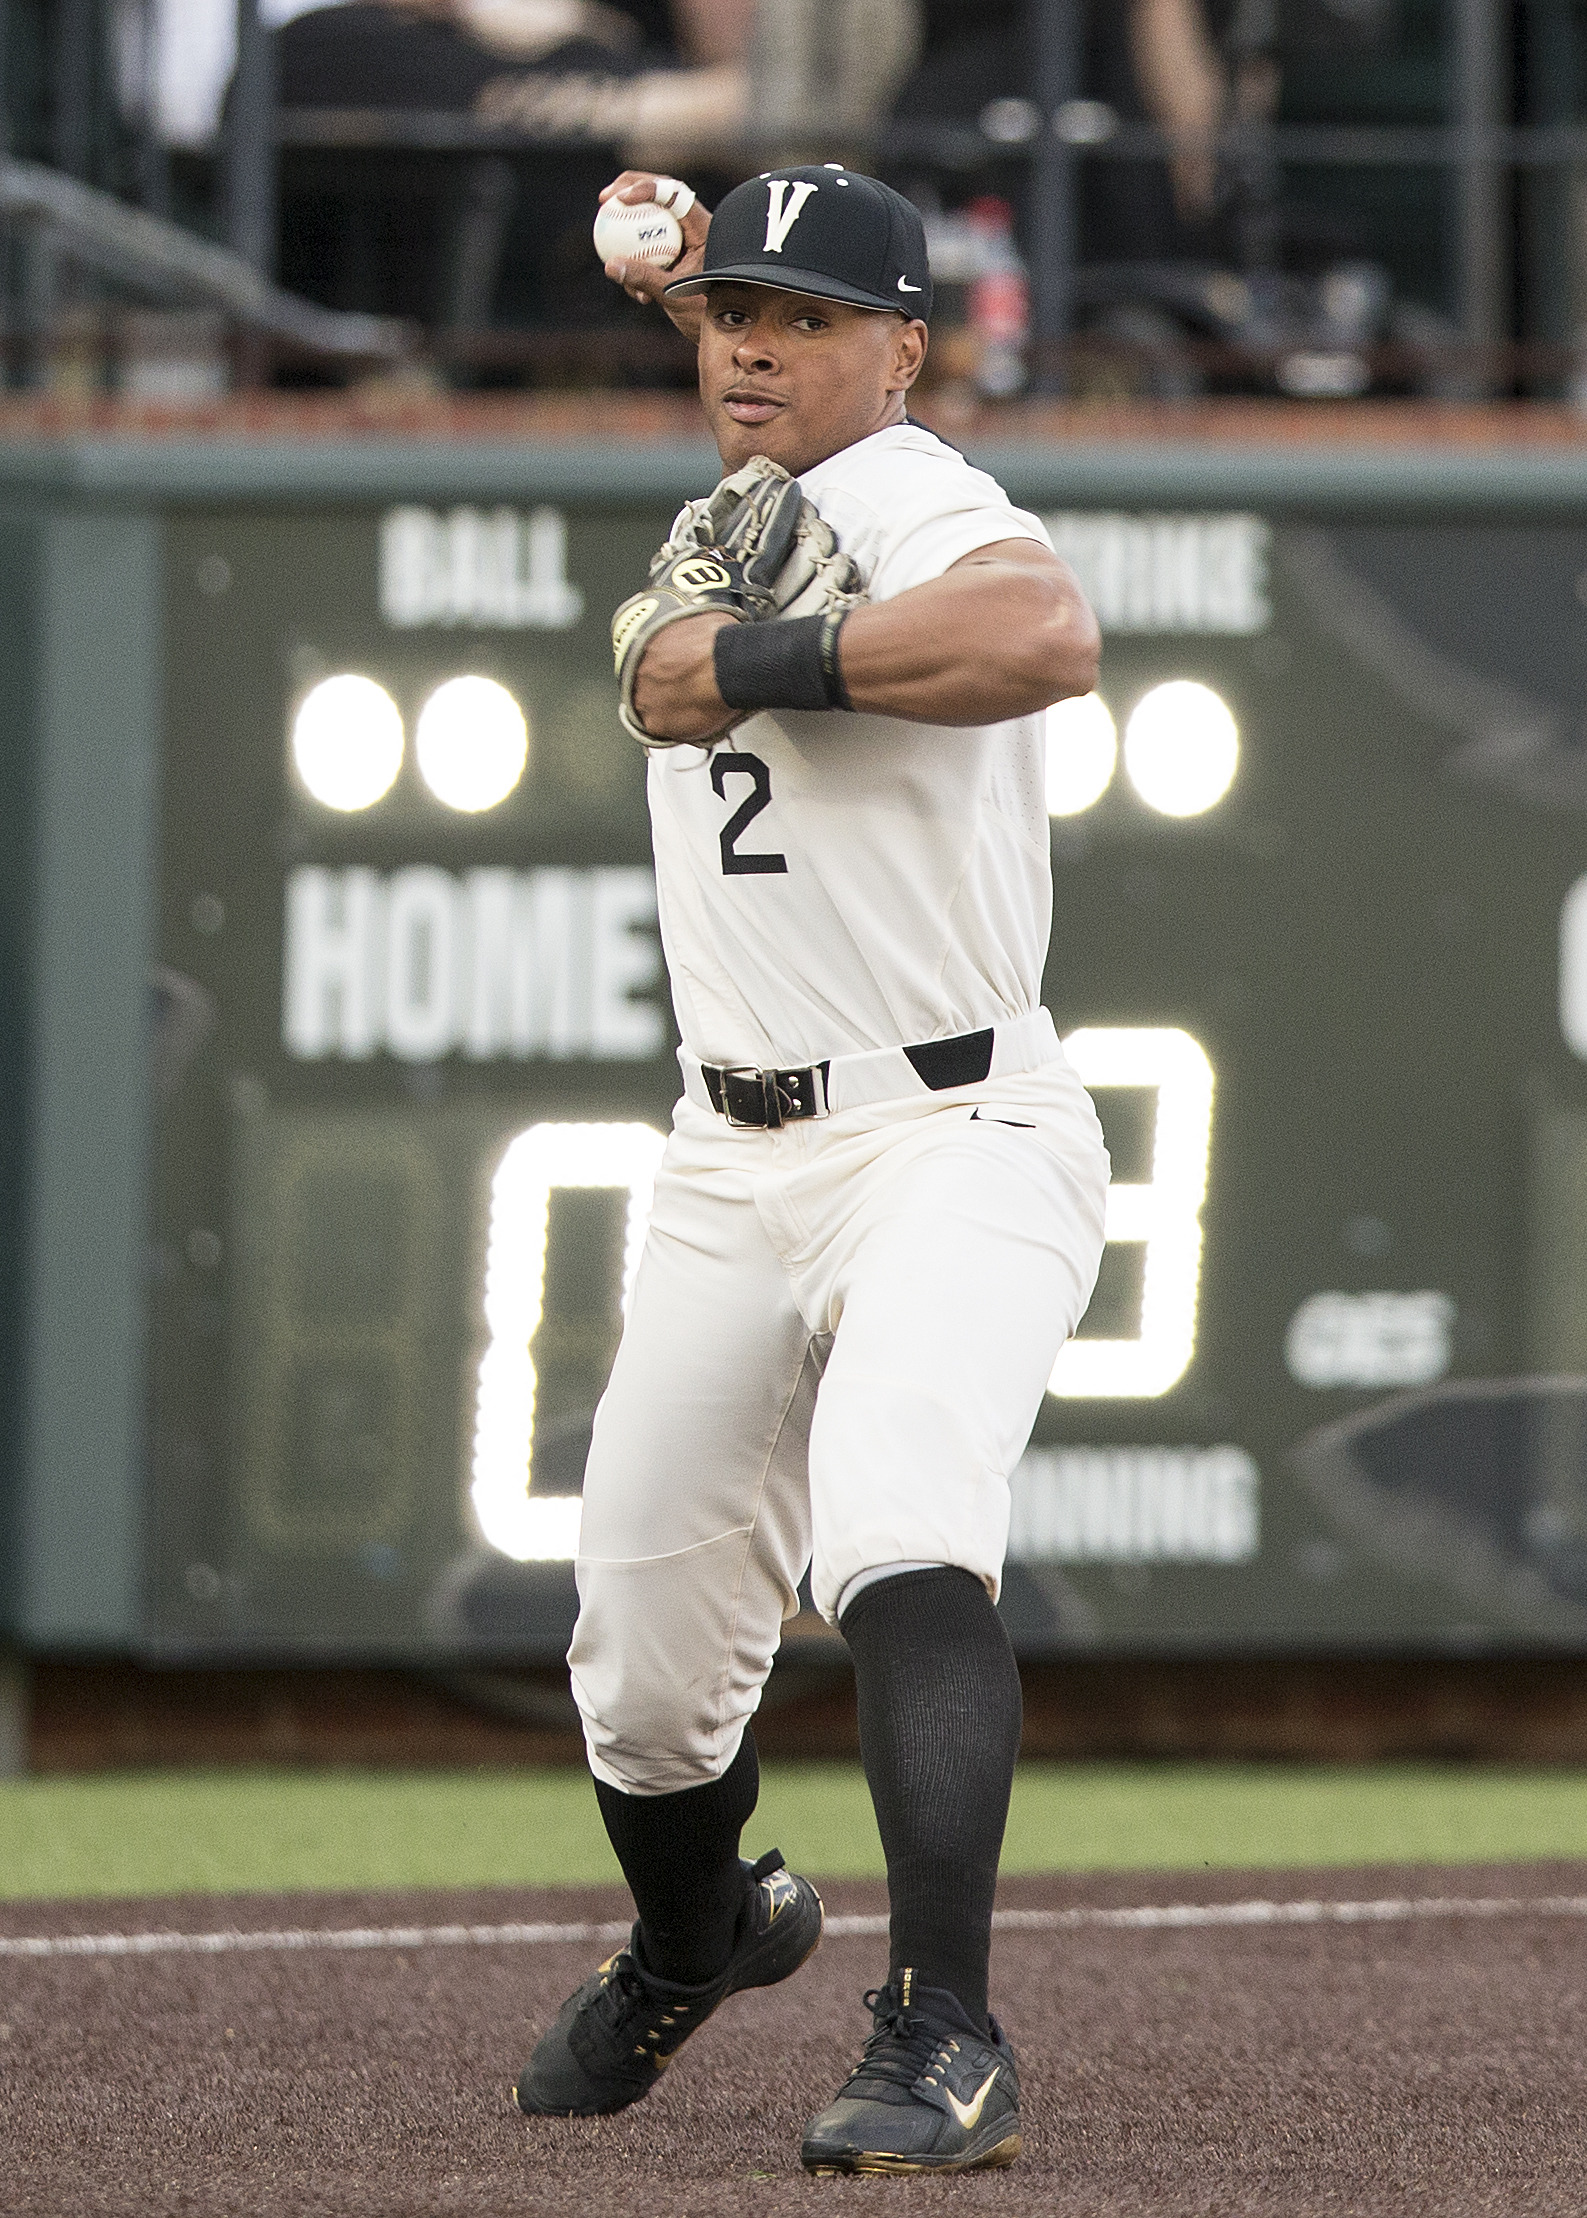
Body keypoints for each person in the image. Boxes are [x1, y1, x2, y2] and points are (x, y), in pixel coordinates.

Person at [512, 163, 1109, 2175]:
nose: (757, 344)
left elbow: (1042, 627)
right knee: (636, 1672)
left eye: (805, 315)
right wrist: (729, 624)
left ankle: (945, 2026)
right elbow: (680, 620)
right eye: (733, 315)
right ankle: (707, 1928)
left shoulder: (911, 485)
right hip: (727, 1146)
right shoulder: (739, 497)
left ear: (900, 348)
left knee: (893, 1524)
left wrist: (772, 653)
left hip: (952, 1128)